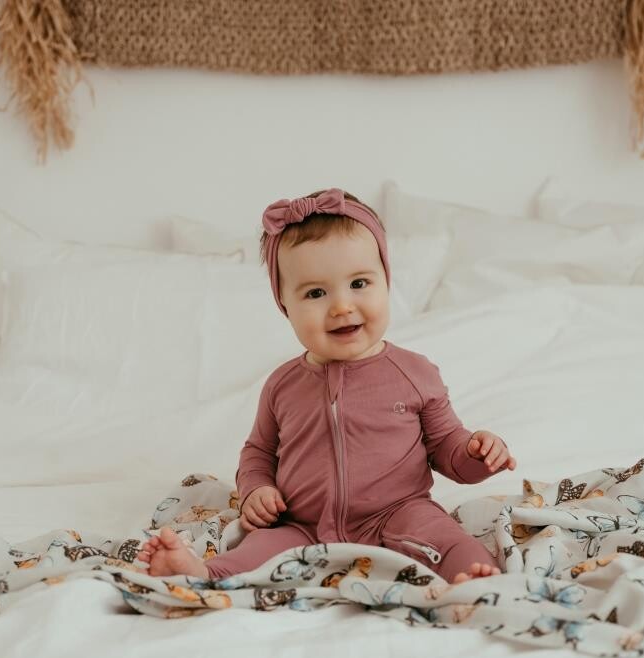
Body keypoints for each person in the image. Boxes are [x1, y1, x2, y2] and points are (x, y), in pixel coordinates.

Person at [139, 188, 515, 584]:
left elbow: (446, 447)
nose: (341, 306)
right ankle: (200, 573)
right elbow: (259, 452)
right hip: (302, 524)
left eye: (359, 283)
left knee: (446, 539)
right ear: (285, 306)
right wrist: (256, 490)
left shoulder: (414, 373)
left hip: (397, 513)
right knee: (255, 551)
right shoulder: (282, 385)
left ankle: (473, 579)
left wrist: (476, 454)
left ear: (386, 283)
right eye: (316, 293)